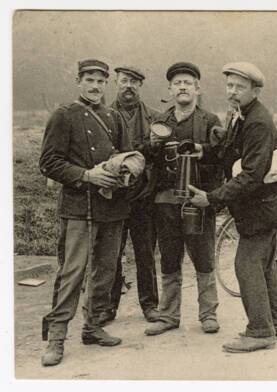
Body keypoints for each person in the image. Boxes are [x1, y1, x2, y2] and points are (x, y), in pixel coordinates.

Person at [188, 61, 277, 353]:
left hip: (261, 208)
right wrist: (205, 150)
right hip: (267, 206)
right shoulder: (242, 114)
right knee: (265, 265)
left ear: (255, 90)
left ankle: (260, 331)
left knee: (246, 265)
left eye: (240, 87)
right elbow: (232, 152)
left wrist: (211, 199)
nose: (232, 92)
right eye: (229, 86)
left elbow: (251, 174)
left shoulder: (257, 121)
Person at [39, 59, 131, 366]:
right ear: (79, 81)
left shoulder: (114, 117)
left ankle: (93, 327)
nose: (95, 86)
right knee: (72, 272)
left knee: (106, 269)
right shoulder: (64, 115)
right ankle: (56, 338)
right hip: (79, 208)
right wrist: (87, 175)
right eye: (89, 80)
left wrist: (126, 169)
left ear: (106, 84)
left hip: (112, 206)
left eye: (101, 81)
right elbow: (49, 163)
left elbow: (127, 154)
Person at [143, 62, 222, 336]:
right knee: (168, 258)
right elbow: (146, 156)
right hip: (165, 202)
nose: (183, 87)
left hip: (198, 201)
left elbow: (223, 154)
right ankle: (168, 316)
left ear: (197, 89)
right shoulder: (160, 123)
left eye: (188, 82)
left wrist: (204, 152)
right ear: (170, 89)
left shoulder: (210, 121)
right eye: (177, 83)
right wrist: (151, 145)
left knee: (203, 258)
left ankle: (208, 314)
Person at [101, 65, 161, 325]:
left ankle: (150, 305)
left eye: (134, 82)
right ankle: (107, 307)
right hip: (113, 195)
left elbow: (161, 158)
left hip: (143, 196)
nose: (129, 86)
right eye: (124, 80)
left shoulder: (154, 118)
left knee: (145, 252)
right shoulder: (102, 115)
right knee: (111, 252)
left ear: (140, 86)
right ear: (116, 82)